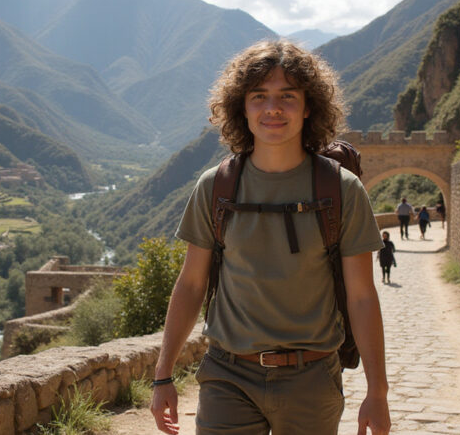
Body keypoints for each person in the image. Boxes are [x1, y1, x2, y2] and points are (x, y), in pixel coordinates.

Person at [150, 40, 390, 435]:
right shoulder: (216, 187)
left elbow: (362, 296)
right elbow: (191, 284)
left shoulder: (341, 190)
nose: (272, 108)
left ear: (308, 106)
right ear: (241, 108)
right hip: (227, 376)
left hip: (312, 378)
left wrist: (377, 393)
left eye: (287, 96)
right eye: (258, 96)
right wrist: (163, 376)